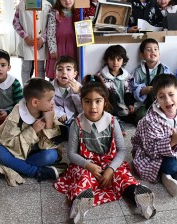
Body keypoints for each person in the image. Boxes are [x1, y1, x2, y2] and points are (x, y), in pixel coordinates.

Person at [54, 75, 156, 223]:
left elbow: (121, 150)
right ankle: (80, 205)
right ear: (81, 102)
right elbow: (71, 153)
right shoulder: (77, 123)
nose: (93, 106)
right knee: (83, 178)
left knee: (123, 177)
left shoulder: (112, 121)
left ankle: (138, 197)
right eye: (87, 102)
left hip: (110, 162)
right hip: (86, 163)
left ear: (105, 102)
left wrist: (110, 169)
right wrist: (88, 166)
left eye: (98, 101)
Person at [0, 78, 62, 184]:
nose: (53, 103)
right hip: (15, 152)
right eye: (50, 99)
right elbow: (7, 142)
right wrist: (32, 130)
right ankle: (35, 172)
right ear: (35, 102)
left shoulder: (49, 112)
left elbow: (47, 146)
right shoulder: (17, 113)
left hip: (34, 153)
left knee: (51, 155)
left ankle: (18, 166)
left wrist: (48, 124)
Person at [13, 0, 52, 83]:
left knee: (40, 68)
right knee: (26, 67)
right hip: (27, 42)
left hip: (40, 43)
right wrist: (25, 37)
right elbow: (15, 23)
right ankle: (26, 89)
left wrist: (43, 39)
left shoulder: (46, 6)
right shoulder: (21, 6)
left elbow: (50, 25)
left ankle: (40, 89)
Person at [131, 38, 172, 124]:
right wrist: (143, 91)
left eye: (155, 49)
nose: (153, 51)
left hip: (162, 101)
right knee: (141, 116)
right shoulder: (137, 72)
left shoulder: (165, 69)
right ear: (142, 55)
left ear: (159, 54)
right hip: (145, 103)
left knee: (171, 112)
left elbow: (171, 85)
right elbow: (133, 89)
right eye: (148, 50)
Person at [96, 45, 135, 134]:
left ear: (123, 61)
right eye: (112, 59)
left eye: (119, 59)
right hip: (110, 106)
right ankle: (116, 123)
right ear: (107, 60)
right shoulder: (101, 76)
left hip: (123, 105)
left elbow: (128, 91)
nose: (115, 62)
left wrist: (130, 104)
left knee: (137, 116)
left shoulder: (126, 75)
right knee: (111, 95)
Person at [46, 0, 78, 80]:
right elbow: (50, 32)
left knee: (71, 68)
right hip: (58, 45)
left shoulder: (77, 12)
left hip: (72, 45)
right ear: (59, 0)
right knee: (58, 68)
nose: (67, 0)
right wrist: (53, 49)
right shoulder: (54, 13)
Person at [52, 56, 82, 127]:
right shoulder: (49, 87)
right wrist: (59, 113)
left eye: (68, 69)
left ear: (75, 74)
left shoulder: (79, 88)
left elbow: (82, 110)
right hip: (56, 120)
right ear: (55, 73)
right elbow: (49, 104)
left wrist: (77, 94)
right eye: (60, 69)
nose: (64, 72)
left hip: (75, 122)